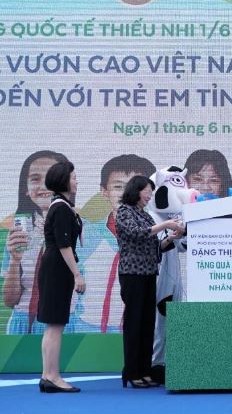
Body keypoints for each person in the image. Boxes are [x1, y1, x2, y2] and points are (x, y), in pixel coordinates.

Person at [116, 176, 184, 388]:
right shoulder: (124, 211)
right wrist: (166, 224)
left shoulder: (144, 215)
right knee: (134, 323)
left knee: (147, 323)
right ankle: (132, 372)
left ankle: (145, 370)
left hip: (148, 273)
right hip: (132, 274)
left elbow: (155, 247)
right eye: (147, 191)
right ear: (136, 190)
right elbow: (137, 234)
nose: (150, 196)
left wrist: (170, 238)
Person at [75, 154, 156, 333]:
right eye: (118, 186)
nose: (126, 193)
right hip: (88, 329)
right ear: (104, 191)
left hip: (140, 327)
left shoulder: (157, 231)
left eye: (135, 186)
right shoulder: (86, 233)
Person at [2, 150, 68, 334]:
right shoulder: (18, 231)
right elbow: (9, 300)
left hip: (60, 323)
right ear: (26, 188)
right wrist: (14, 261)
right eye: (35, 179)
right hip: (21, 325)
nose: (44, 185)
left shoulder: (81, 229)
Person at [37, 161, 85, 393]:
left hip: (55, 265)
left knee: (53, 324)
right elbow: (64, 244)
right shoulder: (61, 208)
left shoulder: (62, 206)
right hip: (58, 267)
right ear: (63, 180)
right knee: (55, 324)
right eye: (73, 177)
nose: (76, 181)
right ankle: (53, 376)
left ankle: (48, 375)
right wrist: (77, 274)